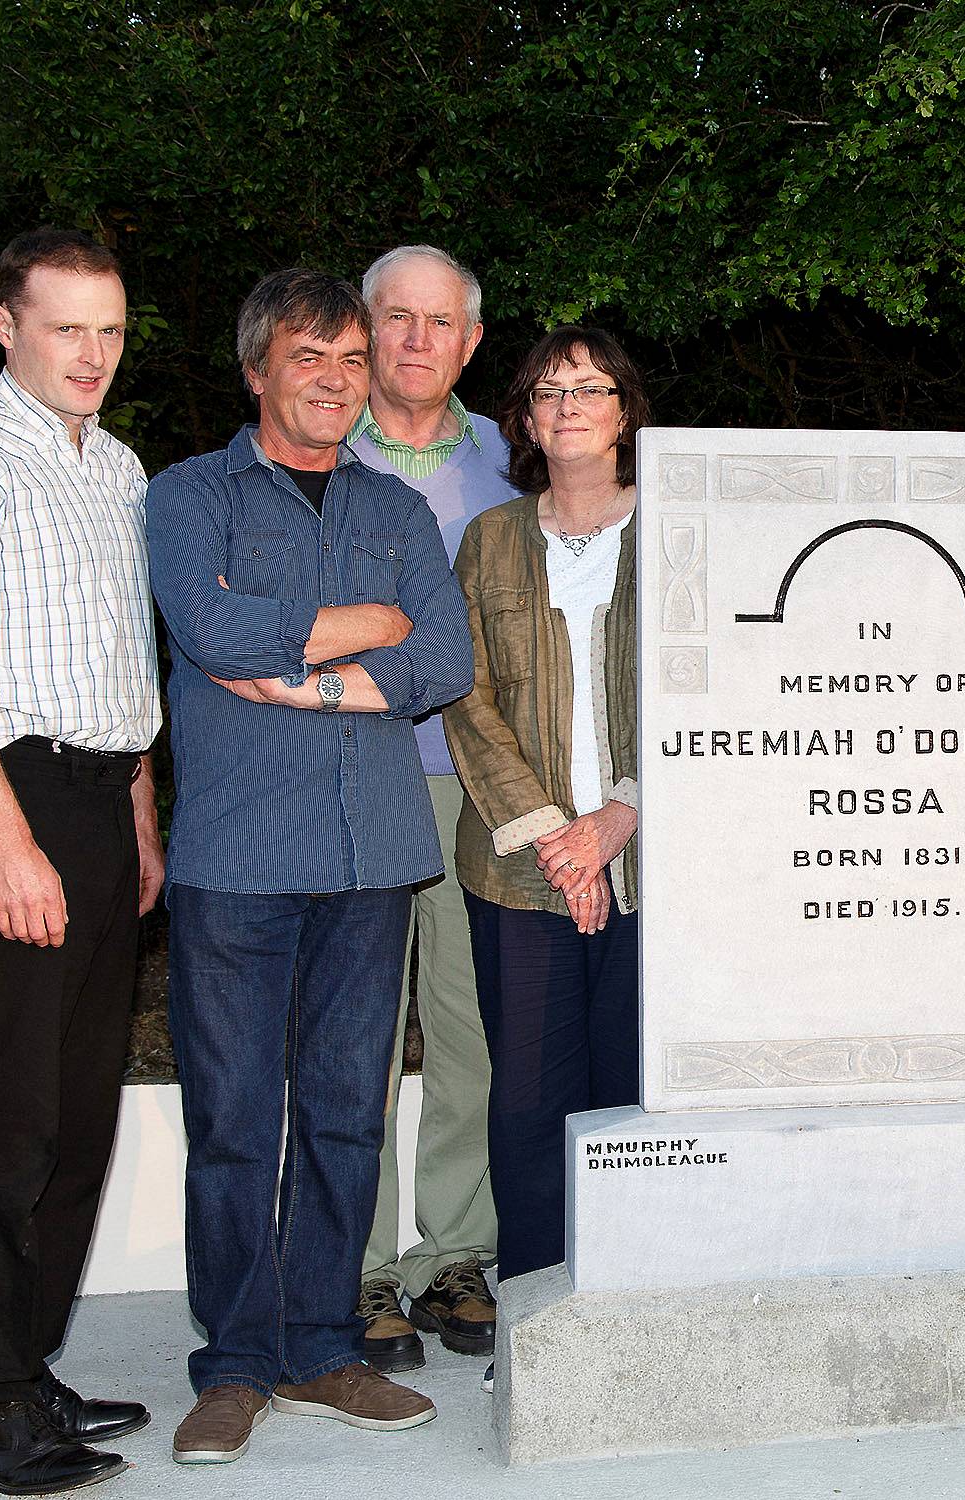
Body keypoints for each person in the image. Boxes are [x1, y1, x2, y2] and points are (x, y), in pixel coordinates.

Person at [146, 269, 472, 1463]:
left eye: (349, 360)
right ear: (257, 371)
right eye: (308, 358)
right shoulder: (189, 496)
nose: (336, 379)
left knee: (346, 1115)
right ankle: (233, 1365)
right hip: (237, 856)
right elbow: (210, 630)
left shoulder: (393, 514)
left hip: (373, 854)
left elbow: (444, 657)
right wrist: (367, 623)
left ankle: (324, 1347)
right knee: (234, 1121)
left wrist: (324, 670)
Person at [0, 228, 163, 1495]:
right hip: (5, 805)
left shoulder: (117, 469)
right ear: (4, 325)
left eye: (109, 331)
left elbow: (119, 660)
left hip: (101, 807)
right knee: (2, 1124)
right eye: (66, 329)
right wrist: (9, 841)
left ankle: (28, 1366)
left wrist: (141, 815)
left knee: (76, 1118)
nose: (92, 355)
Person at [442, 327, 646, 1385]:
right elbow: (465, 699)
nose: (568, 405)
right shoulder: (489, 541)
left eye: (590, 388)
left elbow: (712, 687)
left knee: (633, 1095)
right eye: (546, 391)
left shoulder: (677, 531)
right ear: (522, 418)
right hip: (521, 869)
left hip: (653, 863)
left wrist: (617, 819)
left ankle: (630, 1310)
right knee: (528, 1099)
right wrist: (554, 841)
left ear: (626, 410)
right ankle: (535, 1321)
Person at [349, 244, 522, 1374]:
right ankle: (358, 1267)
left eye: (438, 322)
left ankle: (459, 1251)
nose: (417, 341)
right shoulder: (316, 442)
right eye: (395, 319)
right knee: (353, 1035)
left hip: (476, 776)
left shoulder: (509, 455)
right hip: (347, 771)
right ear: (363, 330)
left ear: (469, 339)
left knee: (471, 1028)